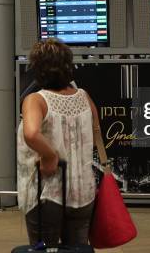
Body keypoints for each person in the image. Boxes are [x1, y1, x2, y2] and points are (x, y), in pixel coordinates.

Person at [17, 39, 97, 247]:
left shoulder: (35, 100)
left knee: (45, 249)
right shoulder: (84, 96)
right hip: (83, 193)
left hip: (48, 194)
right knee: (78, 248)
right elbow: (96, 132)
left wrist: (50, 155)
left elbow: (32, 133)